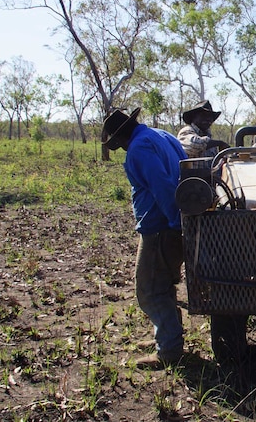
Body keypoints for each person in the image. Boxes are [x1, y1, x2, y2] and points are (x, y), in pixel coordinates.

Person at [102, 107, 188, 369]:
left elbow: (162, 186)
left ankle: (169, 349)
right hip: (170, 223)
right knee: (161, 284)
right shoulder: (161, 135)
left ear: (121, 139)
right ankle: (167, 335)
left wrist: (174, 222)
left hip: (161, 227)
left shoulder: (139, 148)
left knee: (149, 290)